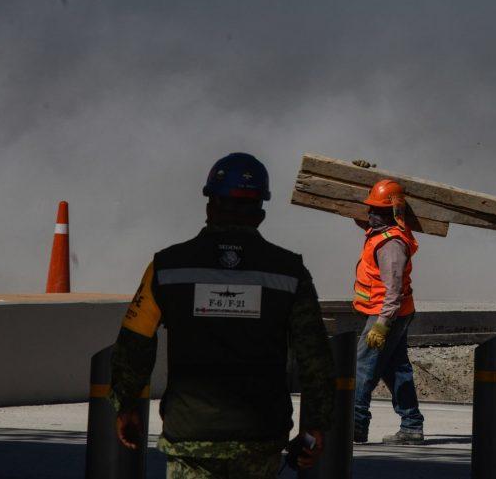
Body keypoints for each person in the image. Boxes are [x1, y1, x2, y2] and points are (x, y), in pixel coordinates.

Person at [108, 153, 334, 478]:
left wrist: (126, 404)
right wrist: (315, 426)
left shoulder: (167, 267)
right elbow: (315, 358)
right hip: (260, 436)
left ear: (209, 206)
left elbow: (135, 343)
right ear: (260, 213)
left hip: (190, 434)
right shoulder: (289, 272)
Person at [351, 176, 425, 445]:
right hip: (396, 312)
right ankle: (411, 425)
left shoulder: (391, 244)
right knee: (396, 369)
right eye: (371, 208)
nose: (371, 213)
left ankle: (355, 425)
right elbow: (359, 217)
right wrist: (356, 175)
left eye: (378, 210)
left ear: (392, 212)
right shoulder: (384, 230)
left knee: (363, 367)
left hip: (386, 314)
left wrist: (382, 324)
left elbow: (392, 289)